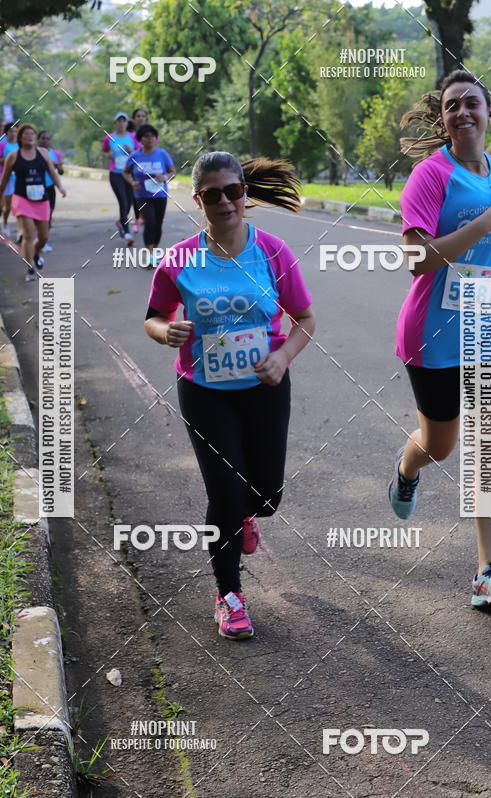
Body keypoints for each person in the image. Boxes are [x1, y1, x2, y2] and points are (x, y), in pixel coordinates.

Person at [389, 70, 491, 608]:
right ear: (444, 120)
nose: (463, 113)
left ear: (489, 112)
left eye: (472, 103)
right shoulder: (429, 177)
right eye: (452, 105)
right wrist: (487, 220)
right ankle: (407, 470)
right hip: (435, 334)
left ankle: (486, 573)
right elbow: (416, 260)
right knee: (441, 445)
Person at [144, 152, 315, 639]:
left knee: (264, 497)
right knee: (223, 493)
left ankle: (246, 515)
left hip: (264, 387)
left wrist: (283, 358)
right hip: (204, 391)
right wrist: (166, 332)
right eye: (213, 194)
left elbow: (305, 319)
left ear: (245, 193)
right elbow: (153, 316)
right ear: (199, 201)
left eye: (233, 191)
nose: (225, 202)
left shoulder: (274, 252)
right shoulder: (179, 258)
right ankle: (229, 595)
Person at [0, 123, 66, 281]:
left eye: (32, 134)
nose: (29, 136)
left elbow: (52, 172)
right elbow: (4, 180)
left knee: (43, 237)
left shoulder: (43, 153)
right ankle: (30, 268)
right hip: (22, 199)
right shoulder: (13, 156)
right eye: (26, 134)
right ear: (20, 138)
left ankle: (35, 253)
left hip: (41, 199)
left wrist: (60, 187)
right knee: (28, 234)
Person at [122, 123, 175, 265]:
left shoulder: (162, 154)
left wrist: (165, 177)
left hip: (160, 195)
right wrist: (132, 183)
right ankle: (150, 254)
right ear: (141, 139)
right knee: (150, 222)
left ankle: (155, 250)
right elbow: (125, 172)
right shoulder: (135, 156)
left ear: (156, 138)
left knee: (157, 224)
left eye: (152, 136)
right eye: (146, 136)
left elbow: (172, 172)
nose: (150, 139)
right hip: (142, 195)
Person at [101, 112, 138, 245]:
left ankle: (121, 222)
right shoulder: (109, 138)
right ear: (115, 123)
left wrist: (132, 150)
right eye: (119, 121)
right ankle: (127, 232)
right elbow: (104, 151)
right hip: (116, 174)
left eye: (124, 121)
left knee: (129, 201)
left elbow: (140, 153)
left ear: (127, 123)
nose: (121, 123)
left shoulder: (133, 137)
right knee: (122, 201)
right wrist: (108, 155)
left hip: (129, 173)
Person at [37, 130, 64, 251]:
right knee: (40, 215)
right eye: (43, 138)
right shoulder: (35, 152)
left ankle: (43, 240)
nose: (45, 141)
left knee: (49, 215)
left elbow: (61, 171)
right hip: (37, 187)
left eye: (48, 138)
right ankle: (37, 239)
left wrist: (58, 166)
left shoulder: (55, 154)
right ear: (38, 140)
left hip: (50, 186)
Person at [0, 122, 19, 237]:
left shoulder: (21, 145)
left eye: (15, 131)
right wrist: (8, 160)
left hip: (19, 178)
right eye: (10, 131)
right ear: (6, 133)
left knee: (20, 204)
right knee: (8, 206)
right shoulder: (2, 145)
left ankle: (22, 227)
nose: (13, 133)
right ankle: (4, 224)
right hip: (7, 178)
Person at [127, 108, 149, 234]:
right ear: (134, 118)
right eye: (138, 116)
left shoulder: (150, 132)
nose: (141, 118)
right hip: (135, 169)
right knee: (136, 194)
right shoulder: (130, 134)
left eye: (143, 116)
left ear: (146, 118)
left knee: (148, 194)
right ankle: (138, 218)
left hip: (148, 168)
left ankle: (144, 217)